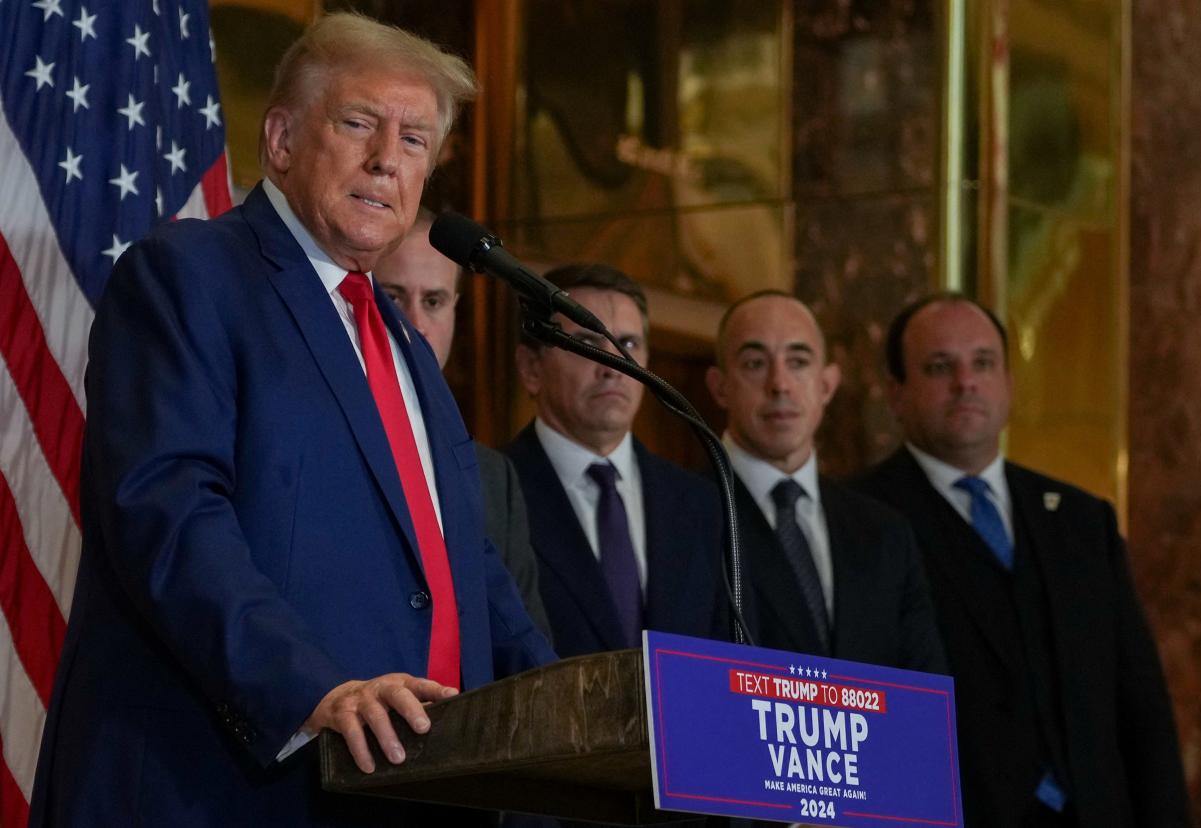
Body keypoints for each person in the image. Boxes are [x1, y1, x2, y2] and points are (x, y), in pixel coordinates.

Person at [29, 14, 554, 827]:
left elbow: (468, 569)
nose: (388, 157)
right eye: (358, 123)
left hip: (417, 790)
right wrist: (314, 688)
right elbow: (166, 513)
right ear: (279, 138)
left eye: (415, 139)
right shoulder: (188, 277)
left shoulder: (407, 347)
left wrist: (564, 713)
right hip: (224, 789)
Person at [851, 293, 1190, 827]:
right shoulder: (858, 520)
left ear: (1008, 383)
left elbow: (1139, 702)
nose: (966, 382)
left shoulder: (1082, 520)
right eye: (940, 367)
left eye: (982, 363)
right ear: (896, 394)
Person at [704, 291, 946, 672]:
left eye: (798, 361)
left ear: (827, 385)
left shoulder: (885, 533)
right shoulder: (684, 513)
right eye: (754, 363)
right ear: (720, 387)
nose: (779, 384)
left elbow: (923, 694)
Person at [504, 264, 730, 658]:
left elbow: (735, 662)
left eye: (627, 345)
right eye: (587, 344)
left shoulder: (702, 502)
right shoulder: (490, 493)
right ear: (532, 368)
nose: (612, 367)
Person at [376, 211, 552, 636]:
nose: (416, 325)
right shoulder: (315, 440)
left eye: (433, 301)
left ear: (455, 309)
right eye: (394, 298)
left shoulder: (493, 477)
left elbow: (525, 647)